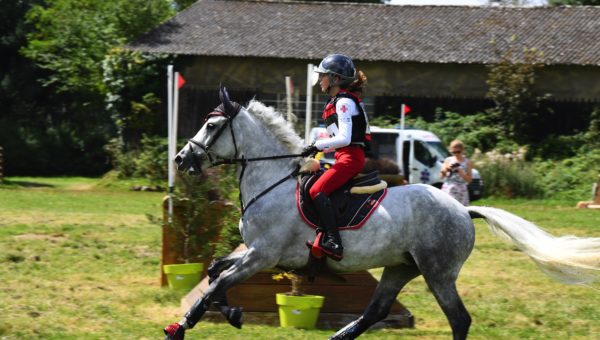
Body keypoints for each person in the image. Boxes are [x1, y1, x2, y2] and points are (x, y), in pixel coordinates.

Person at [301, 54, 371, 261]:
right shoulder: (335, 102)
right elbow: (335, 140)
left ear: (335, 79)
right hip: (342, 157)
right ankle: (321, 233)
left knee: (317, 190)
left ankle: (334, 242)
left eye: (323, 76)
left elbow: (344, 138)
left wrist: (317, 145)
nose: (320, 80)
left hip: (351, 158)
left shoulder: (343, 103)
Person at [440, 140, 473, 206]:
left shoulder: (467, 162)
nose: (456, 154)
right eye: (453, 152)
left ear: (462, 150)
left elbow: (469, 180)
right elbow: (441, 176)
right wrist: (446, 169)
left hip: (461, 191)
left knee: (462, 212)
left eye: (458, 152)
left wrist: (461, 172)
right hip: (448, 189)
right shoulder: (448, 160)